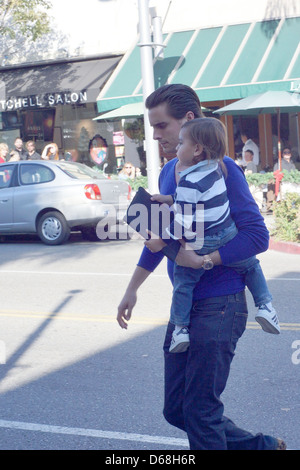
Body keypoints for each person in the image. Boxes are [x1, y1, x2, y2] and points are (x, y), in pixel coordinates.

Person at [117, 84, 286, 450]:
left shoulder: (223, 171)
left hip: (221, 303)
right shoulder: (168, 173)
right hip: (187, 303)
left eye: (161, 126)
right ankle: (263, 447)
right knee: (177, 409)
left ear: (189, 121)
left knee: (199, 410)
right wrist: (132, 288)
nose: (155, 134)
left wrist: (205, 259)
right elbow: (157, 237)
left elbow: (257, 236)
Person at [144, 117, 279, 353]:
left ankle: (180, 330)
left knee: (184, 284)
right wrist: (170, 199)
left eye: (181, 143)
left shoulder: (186, 181)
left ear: (196, 149)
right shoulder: (215, 169)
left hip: (203, 242)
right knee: (250, 266)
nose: (176, 147)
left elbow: (182, 224)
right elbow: (200, 198)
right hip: (227, 234)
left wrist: (161, 239)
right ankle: (266, 306)